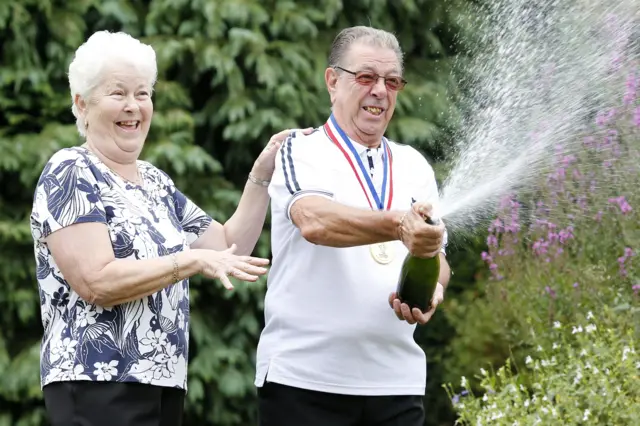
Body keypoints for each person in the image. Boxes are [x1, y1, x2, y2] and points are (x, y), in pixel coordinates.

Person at [29, 30, 309, 426]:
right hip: (96, 383)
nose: (133, 106)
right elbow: (96, 282)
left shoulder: (155, 183)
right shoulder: (70, 170)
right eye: (118, 93)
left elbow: (229, 246)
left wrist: (261, 174)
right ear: (82, 104)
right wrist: (189, 261)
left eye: (143, 94)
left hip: (163, 383)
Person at [255, 26, 452, 426]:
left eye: (392, 81)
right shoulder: (300, 148)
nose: (380, 90)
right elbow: (314, 221)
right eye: (366, 77)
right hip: (305, 381)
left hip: (396, 383)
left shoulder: (414, 164)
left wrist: (436, 287)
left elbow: (438, 254)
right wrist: (399, 224)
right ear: (333, 81)